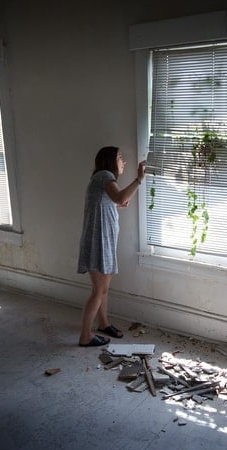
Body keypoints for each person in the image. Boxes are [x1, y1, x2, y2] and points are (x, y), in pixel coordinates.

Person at [77, 146, 146, 346]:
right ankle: (85, 336)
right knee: (99, 290)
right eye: (120, 158)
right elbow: (120, 196)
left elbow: (112, 200)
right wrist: (139, 179)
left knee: (103, 289)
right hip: (99, 243)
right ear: (109, 161)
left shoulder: (101, 180)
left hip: (102, 241)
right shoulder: (104, 176)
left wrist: (115, 204)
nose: (123, 162)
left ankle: (103, 324)